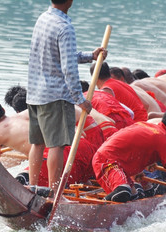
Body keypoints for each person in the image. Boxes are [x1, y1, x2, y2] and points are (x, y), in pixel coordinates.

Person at [26, 0, 107, 193]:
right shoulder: (65, 27)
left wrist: (90, 56)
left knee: (37, 144)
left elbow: (62, 56)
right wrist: (80, 100)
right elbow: (69, 69)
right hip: (55, 96)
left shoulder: (43, 19)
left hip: (35, 93)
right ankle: (54, 193)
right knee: (57, 146)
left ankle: (32, 188)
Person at [91, 107, 166, 203]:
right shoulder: (162, 140)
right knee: (123, 192)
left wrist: (145, 164)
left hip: (118, 163)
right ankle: (97, 208)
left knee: (135, 195)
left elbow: (133, 148)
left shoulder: (151, 127)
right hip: (106, 161)